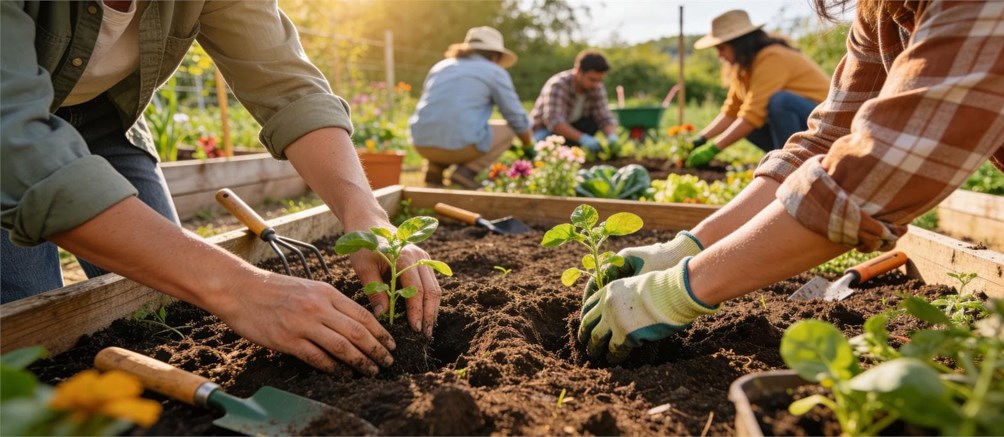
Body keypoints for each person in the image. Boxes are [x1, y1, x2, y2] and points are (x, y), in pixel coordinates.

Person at [1, 0, 444, 376]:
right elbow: (16, 148)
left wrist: (365, 213)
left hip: (108, 119)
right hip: (12, 131)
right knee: (31, 339)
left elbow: (289, 88)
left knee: (165, 304)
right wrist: (241, 287)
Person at [578, 0, 1004, 362]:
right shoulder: (880, 12)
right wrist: (687, 247)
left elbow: (872, 172)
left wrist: (677, 291)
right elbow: (825, 142)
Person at [684, 9, 830, 168]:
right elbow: (732, 112)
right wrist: (701, 139)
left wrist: (713, 148)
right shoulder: (744, 69)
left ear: (738, 44)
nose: (719, 55)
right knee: (744, 125)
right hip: (805, 123)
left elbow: (753, 114)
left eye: (722, 48)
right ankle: (783, 161)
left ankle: (788, 165)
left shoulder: (772, 57)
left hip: (826, 125)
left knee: (779, 102)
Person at [409, 26, 532, 189]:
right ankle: (466, 172)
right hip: (459, 147)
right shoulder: (494, 71)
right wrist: (528, 145)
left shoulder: (440, 66)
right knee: (509, 130)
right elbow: (516, 117)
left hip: (421, 143)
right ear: (495, 55)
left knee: (444, 120)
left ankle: (435, 168)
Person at [530, 50, 619, 153]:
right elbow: (554, 122)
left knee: (593, 121)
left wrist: (612, 136)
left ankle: (573, 151)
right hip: (546, 131)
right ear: (578, 71)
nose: (596, 84)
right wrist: (584, 139)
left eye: (599, 80)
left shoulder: (596, 87)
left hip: (572, 130)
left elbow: (604, 116)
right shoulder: (558, 85)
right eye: (592, 80)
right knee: (538, 146)